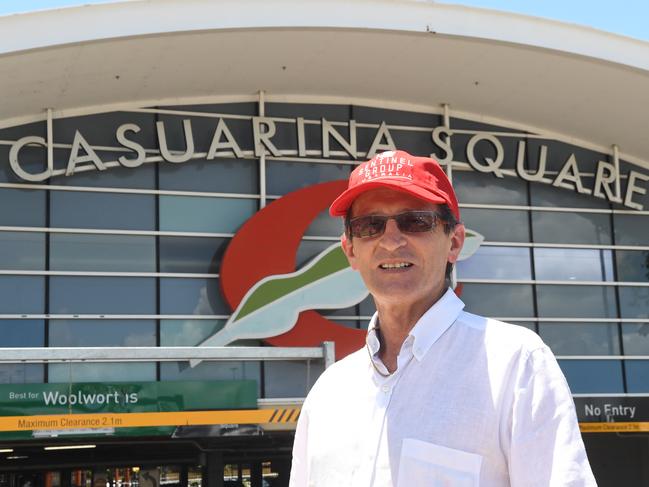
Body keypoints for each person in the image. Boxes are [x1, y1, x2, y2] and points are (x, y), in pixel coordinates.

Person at [289, 150, 596, 486]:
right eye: (370, 225)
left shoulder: (515, 364)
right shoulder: (328, 394)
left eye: (415, 221)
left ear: (455, 242)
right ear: (351, 250)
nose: (391, 241)